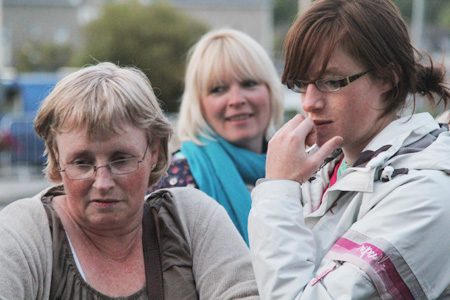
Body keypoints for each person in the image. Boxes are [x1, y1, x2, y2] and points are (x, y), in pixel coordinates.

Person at [0, 62, 259, 299]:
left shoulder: (192, 219)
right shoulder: (24, 234)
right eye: (82, 162)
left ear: (155, 151)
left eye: (121, 159)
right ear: (57, 158)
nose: (102, 182)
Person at [248, 0, 450, 299]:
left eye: (330, 81)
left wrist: (278, 190)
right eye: (302, 83)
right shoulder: (325, 170)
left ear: (387, 79)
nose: (309, 102)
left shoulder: (427, 193)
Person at [149, 28, 284, 245]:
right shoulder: (174, 180)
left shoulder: (303, 173)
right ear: (198, 103)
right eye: (218, 89)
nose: (236, 99)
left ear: (271, 90)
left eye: (249, 84)